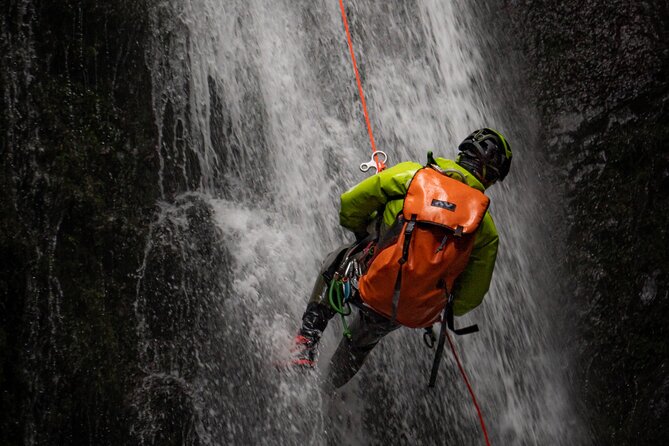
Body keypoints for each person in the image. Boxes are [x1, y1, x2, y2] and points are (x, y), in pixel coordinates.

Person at [290, 128, 512, 388]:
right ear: (491, 179)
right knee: (365, 337)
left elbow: (350, 205)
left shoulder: (414, 175)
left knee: (338, 260)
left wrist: (363, 234)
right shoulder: (485, 227)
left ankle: (306, 342)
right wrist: (436, 301)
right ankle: (325, 390)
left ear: (462, 154)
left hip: (373, 279)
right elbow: (470, 297)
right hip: (414, 311)